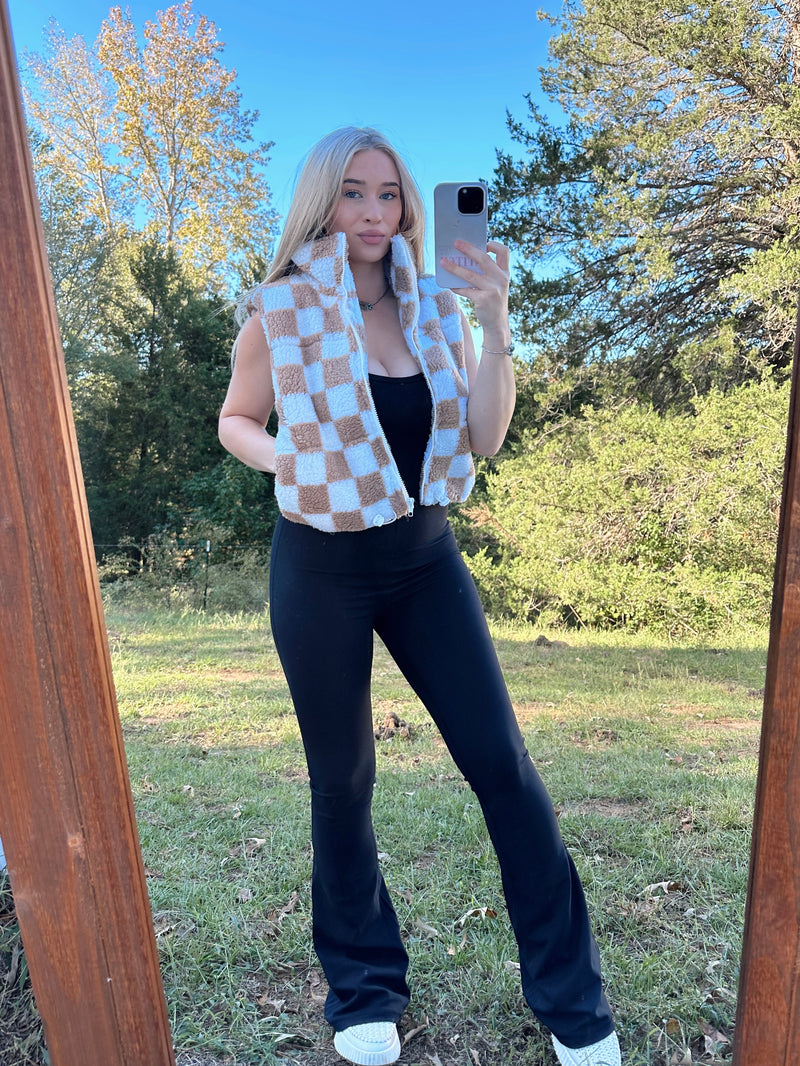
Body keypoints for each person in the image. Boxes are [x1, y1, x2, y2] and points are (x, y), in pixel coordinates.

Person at [218, 127, 621, 1066]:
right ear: (322, 202)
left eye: (389, 193)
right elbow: (237, 419)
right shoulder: (279, 310)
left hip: (425, 559)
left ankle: (572, 999)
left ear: (408, 206)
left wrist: (495, 321)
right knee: (343, 780)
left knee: (503, 765)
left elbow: (483, 436)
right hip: (320, 563)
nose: (374, 212)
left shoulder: (437, 306)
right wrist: (288, 460)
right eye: (354, 192)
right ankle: (364, 989)